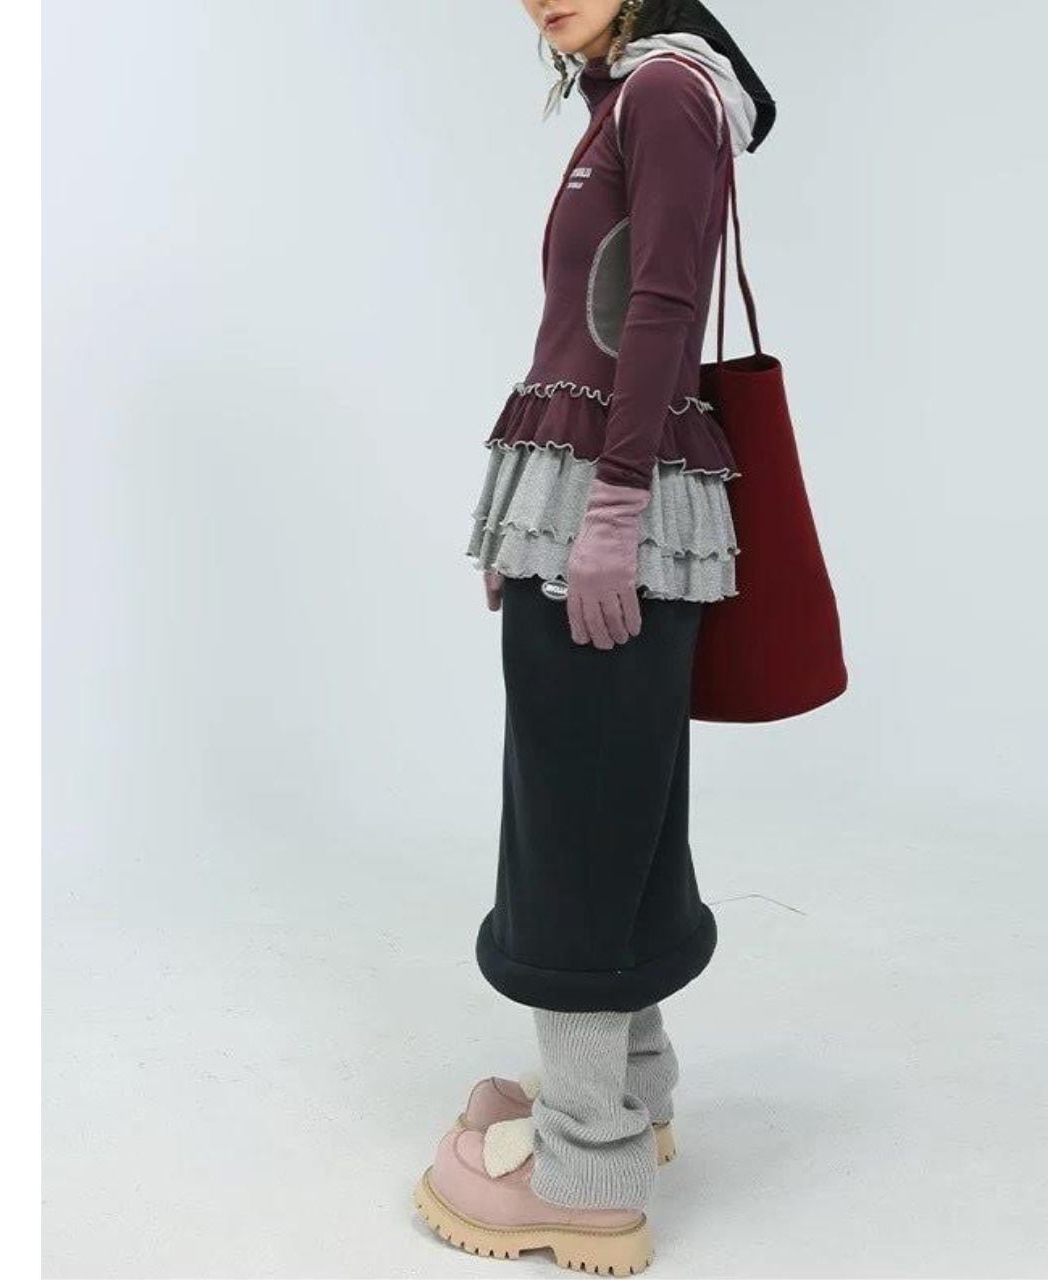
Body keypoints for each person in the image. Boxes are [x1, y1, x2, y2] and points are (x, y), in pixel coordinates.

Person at [414, 1, 775, 1272]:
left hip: (613, 501)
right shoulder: (634, 96)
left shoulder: (664, 93)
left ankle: (581, 1165)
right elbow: (595, 320)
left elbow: (662, 304)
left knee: (571, 824)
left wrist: (607, 510)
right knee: (615, 803)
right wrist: (534, 511)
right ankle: (629, 1088)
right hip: (580, 494)